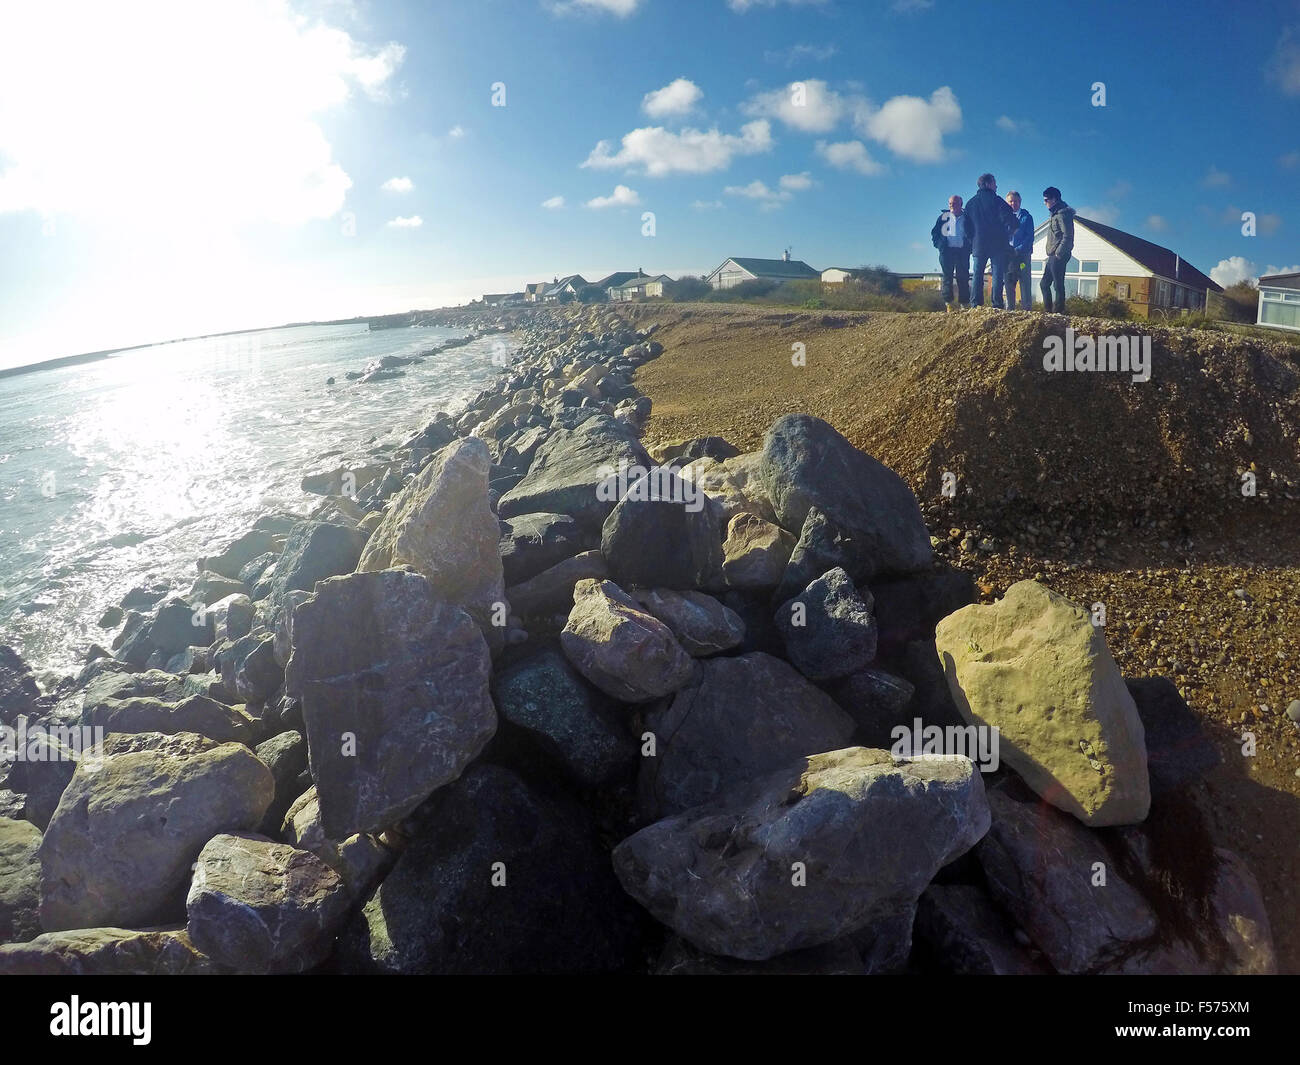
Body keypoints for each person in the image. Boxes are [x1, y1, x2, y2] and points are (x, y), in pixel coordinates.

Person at [964, 173, 1018, 308]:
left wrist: (972, 240)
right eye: (994, 183)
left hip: (978, 244)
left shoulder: (970, 203)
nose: (996, 186)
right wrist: (1008, 234)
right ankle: (997, 304)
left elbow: (966, 227)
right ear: (988, 184)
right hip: (998, 245)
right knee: (997, 275)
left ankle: (975, 304)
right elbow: (1012, 221)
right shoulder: (998, 201)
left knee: (977, 274)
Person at [931, 194, 972, 308]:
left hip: (962, 252)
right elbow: (935, 233)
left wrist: (970, 247)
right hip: (947, 252)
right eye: (950, 204)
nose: (952, 206)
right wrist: (940, 245)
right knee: (947, 277)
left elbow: (972, 234)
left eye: (954, 203)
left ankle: (964, 303)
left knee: (963, 277)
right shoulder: (944, 217)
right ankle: (948, 303)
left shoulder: (967, 218)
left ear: (960, 204)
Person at [1040, 186, 1076, 313]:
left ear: (1054, 199)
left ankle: (1058, 312)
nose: (1044, 203)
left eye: (1046, 200)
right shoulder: (1054, 213)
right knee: (1044, 284)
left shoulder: (1063, 214)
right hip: (1052, 255)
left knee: (1058, 284)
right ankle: (1048, 311)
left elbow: (1068, 236)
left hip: (1059, 254)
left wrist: (1058, 254)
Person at [1003, 191, 1034, 310]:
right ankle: (1009, 310)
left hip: (1023, 256)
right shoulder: (1003, 217)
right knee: (1009, 282)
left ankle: (1027, 310)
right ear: (1007, 203)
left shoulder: (1027, 217)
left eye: (1015, 201)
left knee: (1025, 281)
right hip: (1008, 256)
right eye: (1010, 201)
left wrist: (1018, 249)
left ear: (1020, 202)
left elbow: (1029, 237)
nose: (1013, 203)